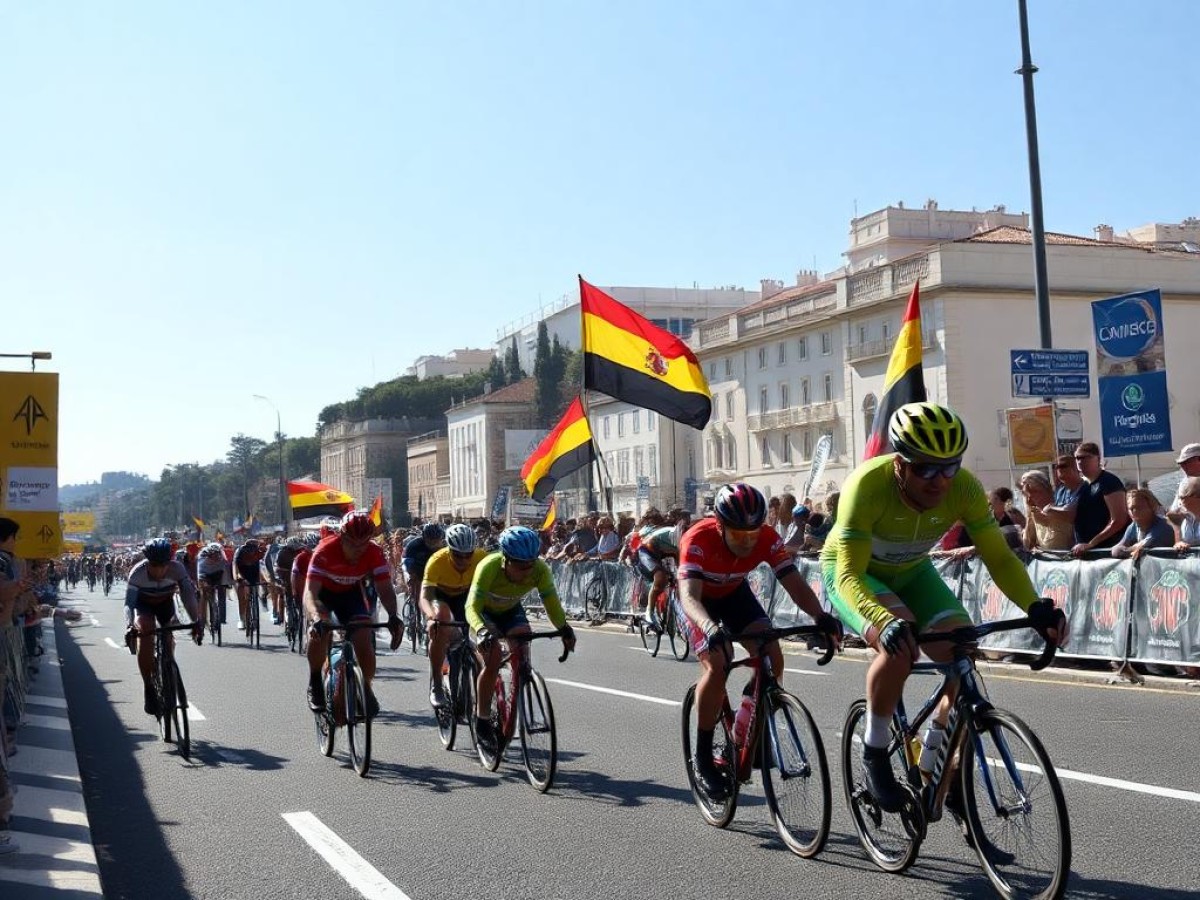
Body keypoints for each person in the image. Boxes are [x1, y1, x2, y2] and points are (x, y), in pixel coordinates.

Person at [822, 402, 1067, 816]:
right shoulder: (866, 486)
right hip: (857, 575)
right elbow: (848, 575)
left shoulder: (965, 489)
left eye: (949, 467)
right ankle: (875, 750)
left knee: (962, 652)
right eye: (925, 469)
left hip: (913, 571)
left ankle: (944, 769)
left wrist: (1035, 605)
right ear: (900, 464)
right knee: (900, 645)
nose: (939, 481)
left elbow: (1000, 558)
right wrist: (882, 622)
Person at [677, 482, 841, 800]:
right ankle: (703, 758)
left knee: (772, 656)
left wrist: (821, 616)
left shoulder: (767, 538)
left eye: (753, 534)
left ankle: (748, 724)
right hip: (699, 601)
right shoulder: (698, 539)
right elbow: (689, 596)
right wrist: (710, 629)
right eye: (739, 536)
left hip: (735, 593)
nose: (747, 543)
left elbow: (793, 582)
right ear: (720, 525)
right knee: (718, 664)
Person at [466, 526, 576, 753]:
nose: (526, 571)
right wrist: (481, 630)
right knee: (493, 658)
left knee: (523, 651)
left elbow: (552, 606)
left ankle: (518, 692)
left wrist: (564, 628)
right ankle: (482, 720)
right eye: (519, 565)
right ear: (505, 559)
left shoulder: (540, 570)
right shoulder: (489, 567)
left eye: (530, 564)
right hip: (483, 614)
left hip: (510, 611)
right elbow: (471, 608)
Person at [303, 510, 402, 715]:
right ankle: (314, 680)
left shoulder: (374, 552)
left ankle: (365, 687)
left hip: (351, 594)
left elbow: (385, 589)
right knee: (322, 630)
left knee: (364, 636)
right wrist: (314, 618)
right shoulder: (324, 551)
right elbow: (310, 593)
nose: (358, 549)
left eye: (363, 543)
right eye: (352, 543)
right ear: (342, 537)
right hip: (323, 594)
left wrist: (393, 616)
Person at [123, 539, 203, 716]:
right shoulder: (137, 574)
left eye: (163, 565)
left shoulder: (177, 569)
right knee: (145, 629)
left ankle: (167, 667)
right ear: (148, 562)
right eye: (155, 565)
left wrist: (196, 620)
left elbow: (188, 597)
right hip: (143, 605)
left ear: (170, 561)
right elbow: (129, 604)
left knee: (168, 637)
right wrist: (129, 625)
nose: (159, 570)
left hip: (165, 603)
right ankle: (149, 687)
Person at [420, 523, 486, 708]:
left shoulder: (482, 557)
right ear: (449, 549)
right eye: (458, 555)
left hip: (466, 597)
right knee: (441, 621)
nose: (464, 560)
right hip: (441, 597)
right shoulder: (436, 560)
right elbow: (425, 598)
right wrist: (432, 618)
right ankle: (438, 684)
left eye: (468, 555)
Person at [1066, 442, 1130, 555]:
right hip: (1083, 551)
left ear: (1097, 459)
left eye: (1085, 457)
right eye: (1077, 458)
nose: (1080, 461)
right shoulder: (1083, 485)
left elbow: (1119, 520)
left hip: (1106, 551)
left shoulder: (1109, 482)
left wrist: (1091, 543)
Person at [635, 508, 692, 631]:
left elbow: (681, 562)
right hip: (646, 552)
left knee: (679, 579)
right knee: (661, 577)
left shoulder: (682, 539)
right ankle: (648, 613)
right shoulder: (671, 533)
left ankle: (671, 610)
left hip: (661, 554)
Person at [1112, 488, 1175, 559]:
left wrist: (1129, 549)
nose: (1134, 511)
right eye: (1131, 509)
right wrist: (1131, 549)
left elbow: (1146, 545)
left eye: (1138, 507)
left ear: (1152, 507)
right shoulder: (1133, 526)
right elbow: (1115, 550)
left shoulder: (1163, 526)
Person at [1018, 471, 1073, 551]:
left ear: (1047, 489)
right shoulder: (1035, 513)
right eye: (1026, 494)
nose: (1029, 499)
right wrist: (1029, 515)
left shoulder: (1061, 510)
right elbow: (1026, 545)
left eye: (1034, 491)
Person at [401, 523, 445, 600]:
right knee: (417, 585)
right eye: (430, 541)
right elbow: (407, 563)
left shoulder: (446, 546)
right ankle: (417, 606)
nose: (433, 544)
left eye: (436, 541)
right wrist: (411, 575)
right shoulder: (414, 545)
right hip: (418, 569)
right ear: (424, 538)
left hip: (437, 570)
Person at [232, 539, 267, 631]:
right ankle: (242, 619)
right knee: (242, 597)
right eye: (250, 549)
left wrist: (265, 580)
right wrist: (238, 577)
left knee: (255, 589)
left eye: (254, 549)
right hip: (242, 572)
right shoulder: (240, 551)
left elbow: (264, 567)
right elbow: (235, 567)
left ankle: (255, 608)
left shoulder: (259, 552)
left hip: (253, 572)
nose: (252, 551)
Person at [1168, 443, 1200, 518]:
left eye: (1186, 462)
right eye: (1181, 464)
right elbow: (1174, 511)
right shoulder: (1184, 483)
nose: (1183, 467)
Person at [1171, 476, 1200, 551]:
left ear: (1196, 496)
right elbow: (1170, 516)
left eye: (1182, 497)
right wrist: (1178, 542)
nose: (1180, 502)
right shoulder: (1184, 514)